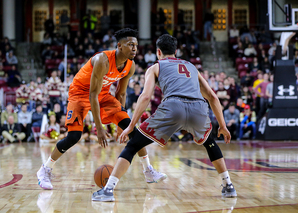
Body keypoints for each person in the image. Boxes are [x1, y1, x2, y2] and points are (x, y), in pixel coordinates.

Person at [92, 34, 237, 202]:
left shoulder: (155, 67)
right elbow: (212, 97)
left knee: (133, 145)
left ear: (158, 52)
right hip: (198, 108)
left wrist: (131, 125)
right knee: (210, 143)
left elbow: (146, 97)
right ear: (175, 51)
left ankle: (108, 190)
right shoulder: (191, 66)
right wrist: (222, 125)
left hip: (173, 106)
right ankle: (229, 186)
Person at [37, 28, 166, 190]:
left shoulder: (130, 66)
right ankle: (45, 169)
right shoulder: (102, 60)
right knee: (73, 136)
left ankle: (148, 170)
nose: (134, 48)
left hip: (103, 95)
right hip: (80, 94)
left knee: (132, 129)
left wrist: (122, 124)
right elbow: (92, 95)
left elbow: (121, 93)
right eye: (130, 44)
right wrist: (99, 128)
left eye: (136, 45)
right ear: (119, 46)